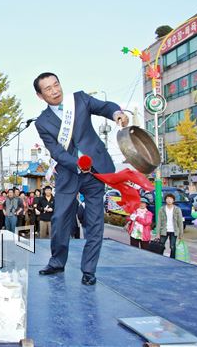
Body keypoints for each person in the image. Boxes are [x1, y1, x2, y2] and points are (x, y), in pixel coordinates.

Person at [34, 72, 129, 286]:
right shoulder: (42, 122)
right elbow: (56, 151)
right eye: (48, 89)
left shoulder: (79, 99)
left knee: (94, 222)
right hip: (70, 173)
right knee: (59, 220)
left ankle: (89, 270)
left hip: (97, 170)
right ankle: (57, 261)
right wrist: (76, 164)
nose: (55, 90)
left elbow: (105, 107)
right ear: (40, 96)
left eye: (56, 84)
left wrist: (117, 113)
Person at [156, 193, 184, 258]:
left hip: (174, 230)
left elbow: (180, 222)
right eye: (167, 198)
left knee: (173, 246)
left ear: (173, 200)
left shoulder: (177, 209)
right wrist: (157, 233)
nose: (169, 200)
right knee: (161, 245)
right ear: (165, 200)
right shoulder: (162, 209)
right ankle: (159, 258)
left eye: (171, 199)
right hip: (164, 230)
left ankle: (172, 259)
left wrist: (181, 233)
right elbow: (159, 222)